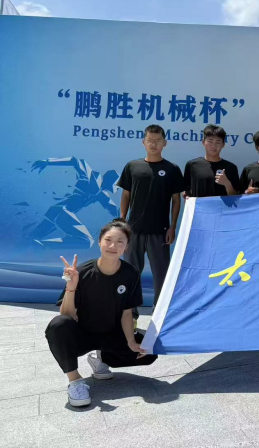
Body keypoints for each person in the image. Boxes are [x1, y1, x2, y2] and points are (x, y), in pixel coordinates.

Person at [45, 219, 157, 408]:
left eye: (120, 242)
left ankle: (102, 359)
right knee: (58, 325)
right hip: (83, 336)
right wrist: (71, 287)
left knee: (150, 350)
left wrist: (131, 342)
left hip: (111, 334)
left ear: (126, 246)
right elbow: (67, 315)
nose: (113, 246)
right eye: (108, 240)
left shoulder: (130, 273)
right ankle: (75, 381)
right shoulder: (82, 272)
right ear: (99, 242)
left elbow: (127, 312)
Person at [117, 124, 184, 320]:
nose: (153, 144)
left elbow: (176, 200)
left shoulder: (172, 169)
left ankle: (160, 314)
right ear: (143, 142)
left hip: (160, 231)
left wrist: (172, 226)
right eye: (150, 140)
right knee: (130, 273)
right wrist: (122, 222)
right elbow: (126, 195)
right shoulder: (132, 166)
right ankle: (130, 313)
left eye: (157, 141)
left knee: (162, 274)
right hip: (134, 230)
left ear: (165, 143)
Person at [183, 124, 240, 198]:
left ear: (223, 144)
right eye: (210, 141)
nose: (213, 146)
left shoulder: (231, 167)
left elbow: (235, 197)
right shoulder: (192, 165)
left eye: (218, 142)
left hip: (221, 206)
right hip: (199, 205)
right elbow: (186, 191)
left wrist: (227, 184)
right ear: (203, 142)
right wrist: (187, 196)